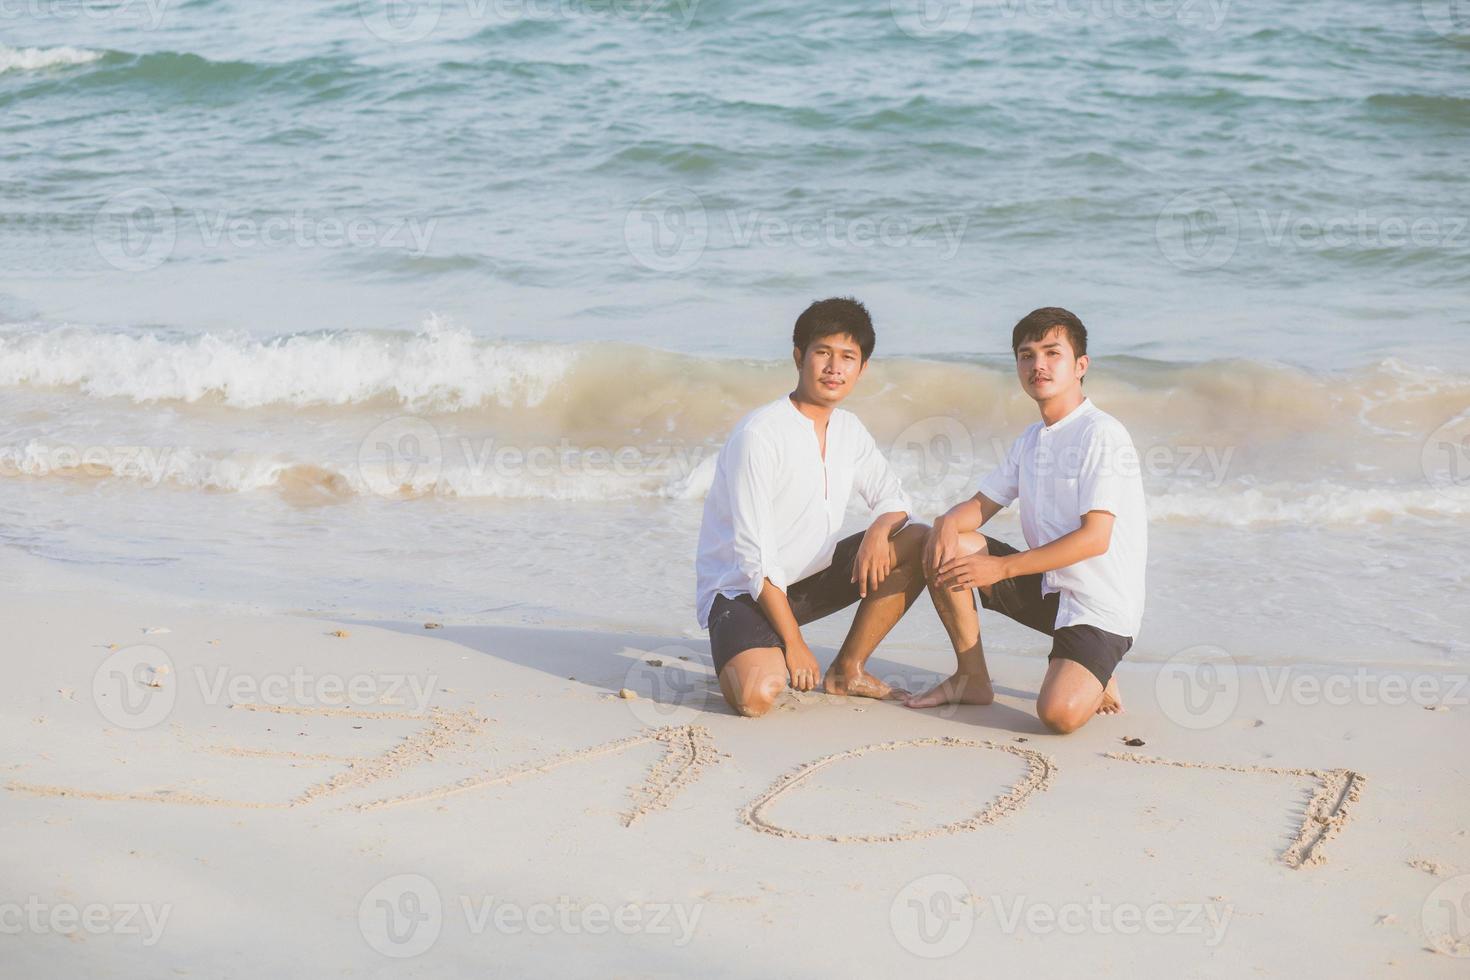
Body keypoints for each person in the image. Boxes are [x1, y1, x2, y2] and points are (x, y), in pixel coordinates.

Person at [905, 307, 1147, 734]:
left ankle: (1099, 667)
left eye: (1052, 353)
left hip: (1098, 606)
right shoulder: (1032, 439)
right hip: (1051, 588)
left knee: (1057, 715)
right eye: (1026, 354)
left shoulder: (1101, 434)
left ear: (1081, 365)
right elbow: (981, 506)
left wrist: (1001, 567)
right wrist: (944, 521)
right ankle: (972, 677)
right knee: (944, 542)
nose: (1038, 365)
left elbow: (1095, 539)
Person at [695, 297, 929, 718]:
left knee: (916, 539)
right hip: (742, 592)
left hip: (808, 578)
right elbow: (755, 559)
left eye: (848, 357)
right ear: (799, 356)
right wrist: (796, 646)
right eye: (823, 353)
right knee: (757, 696)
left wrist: (879, 530)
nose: (834, 368)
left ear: (862, 368)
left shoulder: (849, 429)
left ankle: (848, 670)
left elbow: (896, 501)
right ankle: (754, 650)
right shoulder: (760, 434)